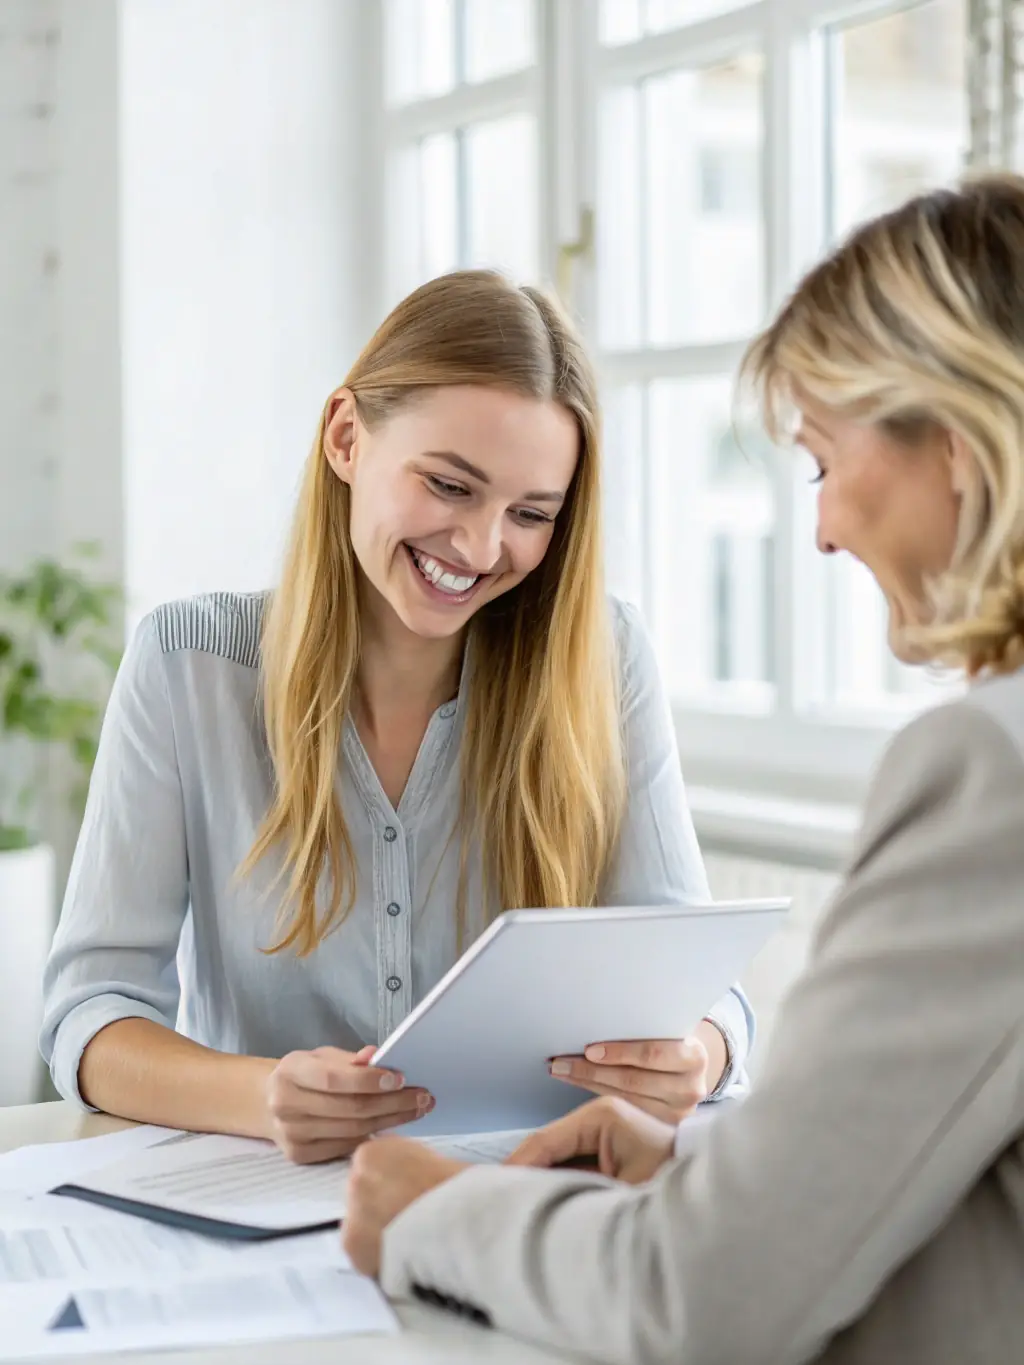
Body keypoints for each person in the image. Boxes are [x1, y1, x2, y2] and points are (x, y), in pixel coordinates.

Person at [341, 174, 1024, 1365]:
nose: (822, 529)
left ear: (954, 455)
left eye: (821, 459)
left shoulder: (990, 769)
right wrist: (718, 1180)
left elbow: (701, 1300)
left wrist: (437, 1214)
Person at [40, 270, 752, 1162]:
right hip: (258, 1214)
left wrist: (698, 1052)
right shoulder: (187, 665)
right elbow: (91, 1014)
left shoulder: (606, 662)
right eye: (451, 486)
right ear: (346, 436)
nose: (483, 548)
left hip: (524, 1210)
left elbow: (700, 992)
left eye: (531, 513)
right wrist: (265, 1095)